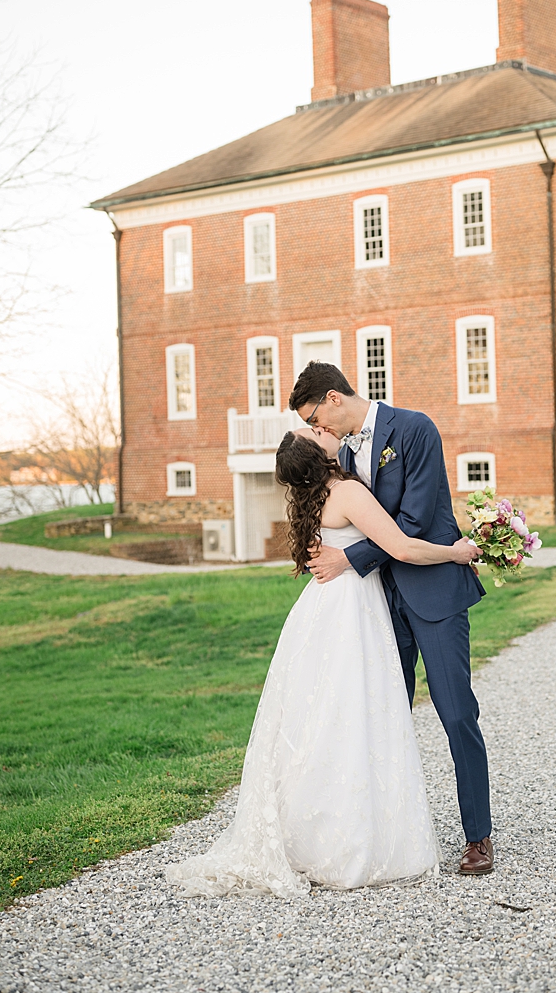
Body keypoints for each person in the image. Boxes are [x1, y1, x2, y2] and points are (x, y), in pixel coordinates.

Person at [165, 426, 478, 898]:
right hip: (354, 610)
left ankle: (315, 836)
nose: (321, 430)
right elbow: (403, 546)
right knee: (357, 716)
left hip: (321, 608)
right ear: (317, 453)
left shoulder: (311, 499)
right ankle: (357, 839)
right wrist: (456, 552)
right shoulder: (348, 490)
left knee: (325, 720)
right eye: (311, 432)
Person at [286, 362, 495, 876]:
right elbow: (352, 518)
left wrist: (348, 559)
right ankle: (388, 832)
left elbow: (412, 522)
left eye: (316, 417)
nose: (321, 430)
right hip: (378, 604)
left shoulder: (416, 428)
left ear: (334, 398)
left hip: (434, 596)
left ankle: (478, 836)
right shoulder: (343, 455)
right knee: (383, 719)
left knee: (455, 712)